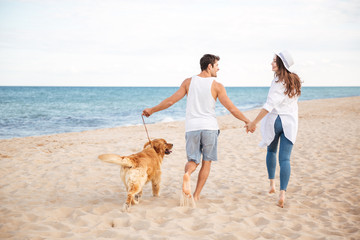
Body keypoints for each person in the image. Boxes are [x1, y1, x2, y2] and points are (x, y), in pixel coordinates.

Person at [142, 54, 250, 201]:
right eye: (217, 65)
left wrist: (152, 110)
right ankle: (196, 195)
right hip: (209, 128)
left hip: (192, 128)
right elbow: (231, 108)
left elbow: (170, 101)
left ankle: (187, 174)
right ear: (209, 66)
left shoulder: (188, 82)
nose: (219, 68)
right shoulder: (217, 85)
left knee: (193, 161)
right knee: (206, 161)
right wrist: (247, 121)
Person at [246, 50, 302, 208]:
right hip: (290, 122)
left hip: (275, 121)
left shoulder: (277, 81)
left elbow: (269, 105)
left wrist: (254, 122)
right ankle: (282, 193)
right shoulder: (295, 80)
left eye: (275, 61)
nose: (272, 63)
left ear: (281, 65)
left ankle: (272, 185)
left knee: (271, 152)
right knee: (285, 159)